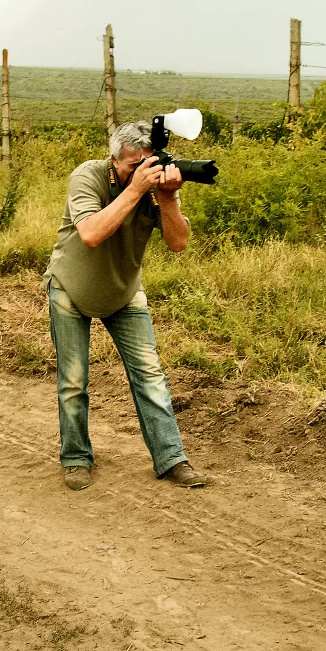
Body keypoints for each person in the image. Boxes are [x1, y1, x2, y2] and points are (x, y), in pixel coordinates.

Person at [42, 120, 207, 491]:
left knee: (150, 377)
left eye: (149, 162)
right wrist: (135, 190)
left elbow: (178, 243)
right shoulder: (88, 176)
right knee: (73, 381)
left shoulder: (154, 187)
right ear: (114, 159)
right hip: (71, 287)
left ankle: (172, 459)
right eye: (135, 164)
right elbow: (91, 234)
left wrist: (167, 197)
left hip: (124, 289)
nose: (145, 171)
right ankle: (76, 458)